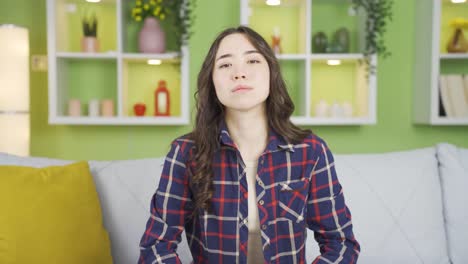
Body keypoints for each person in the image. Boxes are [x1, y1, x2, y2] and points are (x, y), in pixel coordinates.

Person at [138, 26, 360, 264]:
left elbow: (341, 245)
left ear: (271, 73)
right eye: (225, 65)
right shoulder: (185, 153)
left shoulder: (311, 151)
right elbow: (156, 247)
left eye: (252, 61)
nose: (239, 73)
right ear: (212, 82)